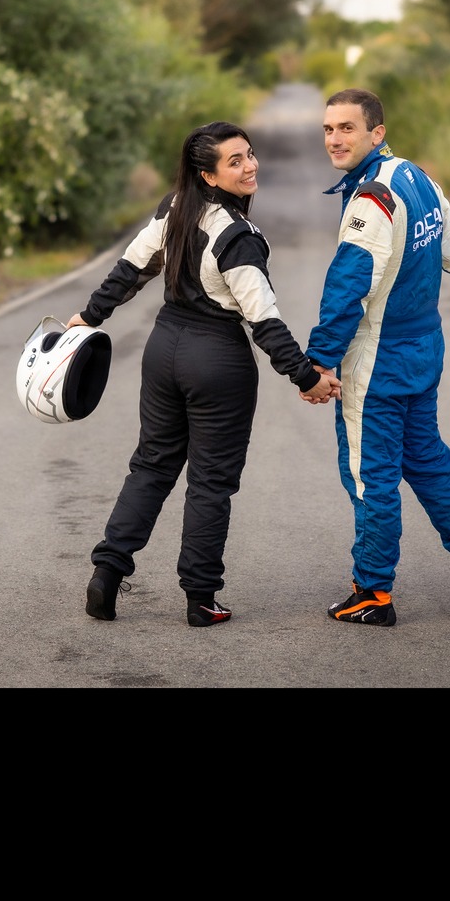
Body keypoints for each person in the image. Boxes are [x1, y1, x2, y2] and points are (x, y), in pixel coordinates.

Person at [66, 121, 340, 629]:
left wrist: (90, 315)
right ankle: (200, 599)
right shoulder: (238, 237)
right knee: (211, 483)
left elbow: (132, 269)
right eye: (235, 161)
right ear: (208, 175)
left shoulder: (174, 208)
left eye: (250, 155)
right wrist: (306, 378)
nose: (250, 166)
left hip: (163, 349)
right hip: (217, 359)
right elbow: (264, 319)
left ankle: (106, 574)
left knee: (150, 466)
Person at [304, 88, 450, 627]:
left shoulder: (372, 200)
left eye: (347, 128)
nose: (334, 138)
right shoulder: (419, 179)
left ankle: (373, 593)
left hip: (376, 361)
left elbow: (349, 287)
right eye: (329, 128)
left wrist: (320, 363)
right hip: (423, 353)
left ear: (376, 132)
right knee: (427, 461)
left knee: (369, 477)